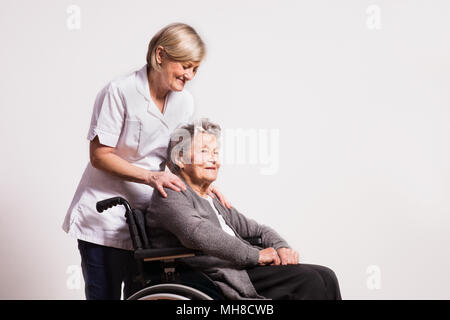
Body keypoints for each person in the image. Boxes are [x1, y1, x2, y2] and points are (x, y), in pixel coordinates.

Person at [62, 23, 230, 300]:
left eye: (195, 69)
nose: (189, 75)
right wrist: (151, 177)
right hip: (104, 214)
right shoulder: (119, 91)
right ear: (161, 55)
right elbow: (99, 156)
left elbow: (178, 158)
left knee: (143, 295)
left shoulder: (184, 102)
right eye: (185, 66)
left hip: (146, 219)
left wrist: (202, 187)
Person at [146, 119, 342, 300]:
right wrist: (255, 256)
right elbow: (197, 233)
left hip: (242, 267)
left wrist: (281, 247)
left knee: (327, 275)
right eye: (205, 151)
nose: (214, 159)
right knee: (309, 280)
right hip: (220, 275)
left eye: (215, 153)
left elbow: (257, 230)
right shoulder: (171, 194)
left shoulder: (212, 197)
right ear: (180, 159)